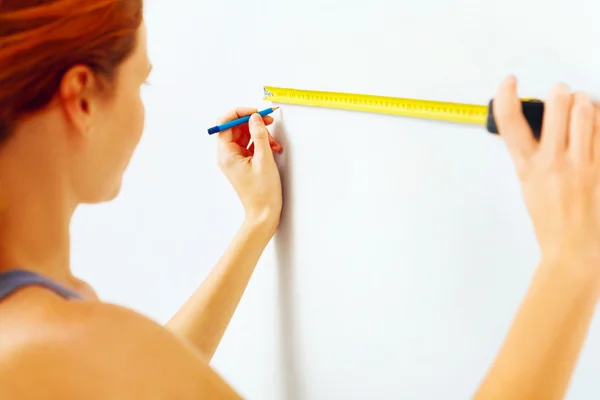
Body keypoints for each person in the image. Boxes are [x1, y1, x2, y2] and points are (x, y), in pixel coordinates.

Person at [0, 2, 598, 399]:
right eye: (142, 82)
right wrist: (571, 261)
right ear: (81, 98)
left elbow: (138, 378)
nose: (143, 109)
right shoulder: (62, 342)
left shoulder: (40, 334)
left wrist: (257, 223)